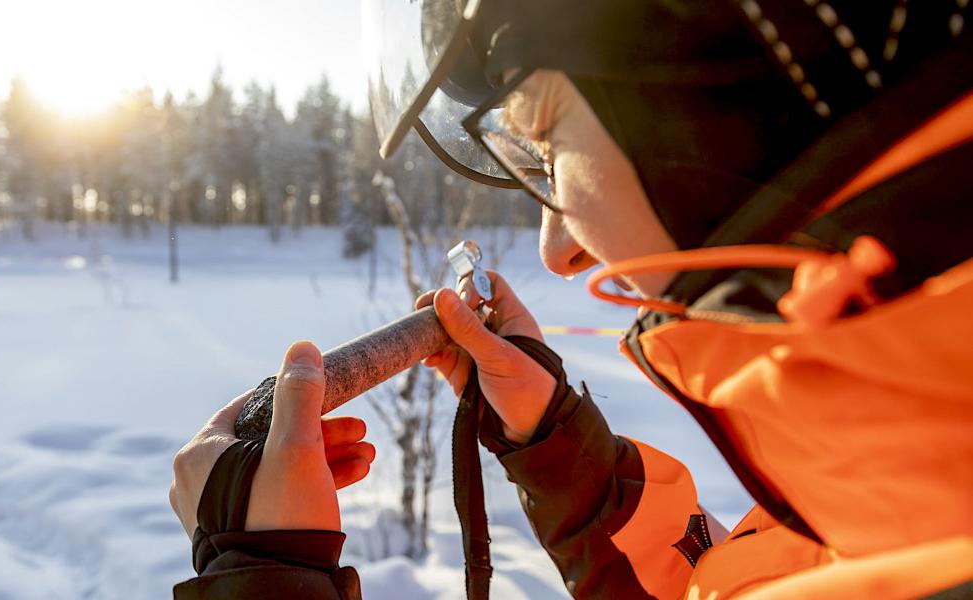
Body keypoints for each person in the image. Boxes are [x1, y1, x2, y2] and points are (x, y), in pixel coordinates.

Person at [170, 1, 973, 597]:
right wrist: (557, 449)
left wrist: (265, 580)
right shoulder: (905, 493)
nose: (559, 250)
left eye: (548, 144)